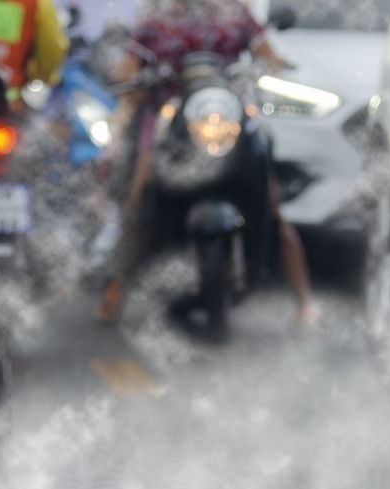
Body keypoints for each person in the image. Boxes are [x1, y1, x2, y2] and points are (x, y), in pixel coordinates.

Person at [97, 0, 318, 325]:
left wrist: (275, 65)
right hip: (170, 120)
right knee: (137, 198)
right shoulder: (158, 20)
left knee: (271, 202)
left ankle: (305, 302)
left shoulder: (235, 14)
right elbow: (127, 68)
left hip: (229, 116)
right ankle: (117, 289)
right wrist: (133, 81)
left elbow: (266, 53)